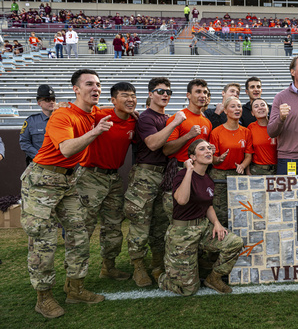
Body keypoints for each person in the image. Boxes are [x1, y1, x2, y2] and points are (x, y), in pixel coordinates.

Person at [20, 69, 110, 318]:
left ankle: (75, 289)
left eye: (99, 85)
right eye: (90, 84)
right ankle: (44, 297)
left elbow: (120, 110)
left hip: (68, 182)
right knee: (44, 242)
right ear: (76, 89)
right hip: (41, 181)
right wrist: (95, 132)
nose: (96, 88)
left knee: (79, 236)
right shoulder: (62, 115)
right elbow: (67, 148)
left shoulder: (94, 113)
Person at [158, 139, 244, 296]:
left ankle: (214, 278)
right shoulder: (182, 175)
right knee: (188, 290)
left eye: (210, 148)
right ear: (193, 157)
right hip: (182, 233)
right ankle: (165, 277)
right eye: (202, 149)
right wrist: (189, 170)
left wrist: (217, 223)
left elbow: (208, 206)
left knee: (234, 243)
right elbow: (182, 200)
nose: (208, 151)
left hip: (202, 228)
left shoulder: (208, 180)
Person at [124, 77, 185, 287]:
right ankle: (138, 266)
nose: (165, 94)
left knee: (160, 223)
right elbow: (152, 144)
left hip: (165, 175)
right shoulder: (146, 118)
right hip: (145, 175)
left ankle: (157, 263)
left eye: (168, 91)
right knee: (140, 224)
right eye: (160, 91)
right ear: (150, 94)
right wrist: (176, 123)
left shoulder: (166, 117)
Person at [75, 82, 137, 281]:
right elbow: (77, 113)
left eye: (133, 96)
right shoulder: (99, 115)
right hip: (90, 177)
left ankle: (108, 267)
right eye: (125, 96)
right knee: (84, 227)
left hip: (113, 179)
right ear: (113, 100)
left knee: (113, 226)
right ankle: (76, 279)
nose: (130, 99)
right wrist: (60, 106)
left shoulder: (135, 121)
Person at [162, 79, 212, 214]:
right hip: (180, 170)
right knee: (176, 213)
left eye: (205, 92)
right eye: (198, 92)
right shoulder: (178, 118)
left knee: (197, 211)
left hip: (200, 173)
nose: (203, 95)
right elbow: (167, 150)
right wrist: (188, 135)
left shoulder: (207, 121)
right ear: (188, 95)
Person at [209, 97, 253, 226]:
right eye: (233, 106)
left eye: (239, 106)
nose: (237, 109)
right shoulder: (216, 132)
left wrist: (243, 166)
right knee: (220, 211)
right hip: (219, 176)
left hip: (238, 175)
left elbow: (248, 155)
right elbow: (213, 159)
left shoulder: (246, 132)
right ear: (226, 111)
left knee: (240, 209)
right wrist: (219, 159)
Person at [19, 85, 56, 165]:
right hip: (39, 165)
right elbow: (24, 143)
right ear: (39, 103)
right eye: (47, 100)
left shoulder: (62, 119)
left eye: (53, 99)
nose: (51, 102)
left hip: (59, 164)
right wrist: (40, 156)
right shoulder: (31, 121)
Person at [247, 98, 277, 175]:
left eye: (263, 105)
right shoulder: (250, 128)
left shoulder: (277, 125)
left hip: (278, 169)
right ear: (252, 113)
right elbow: (247, 152)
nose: (260, 108)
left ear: (268, 109)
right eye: (256, 106)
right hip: (258, 169)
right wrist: (248, 172)